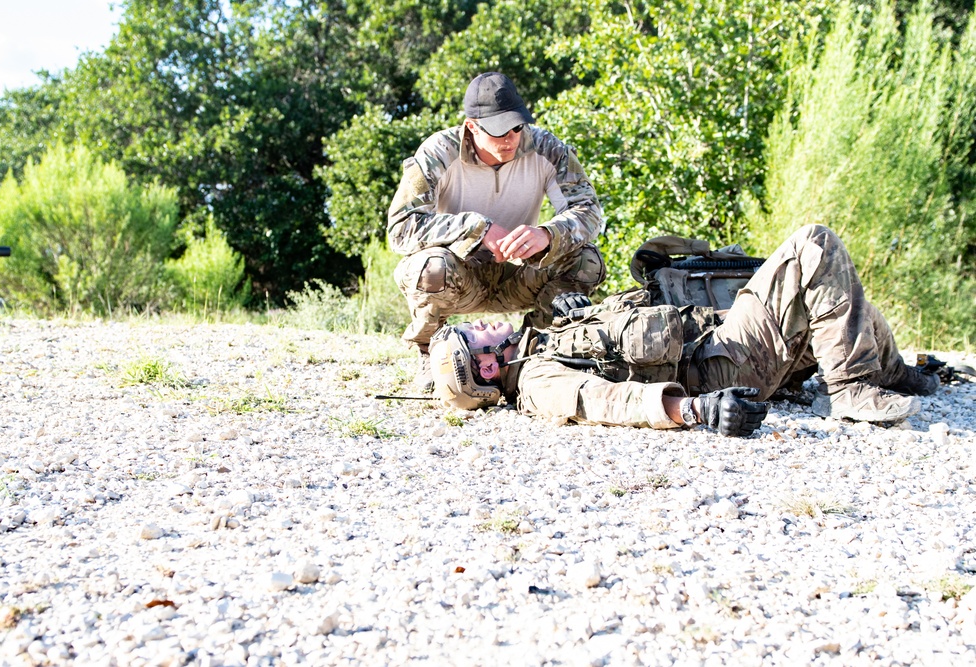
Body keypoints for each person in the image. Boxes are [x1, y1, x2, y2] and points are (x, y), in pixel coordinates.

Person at [428, 224, 939, 436]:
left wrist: (578, 310)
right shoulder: (539, 382)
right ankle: (850, 389)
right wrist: (697, 410)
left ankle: (888, 374)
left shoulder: (544, 336)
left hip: (724, 340)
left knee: (840, 300)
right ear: (487, 367)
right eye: (473, 338)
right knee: (814, 246)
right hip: (727, 362)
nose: (480, 326)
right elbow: (606, 403)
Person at [387, 72, 606, 392]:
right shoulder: (439, 151)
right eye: (499, 130)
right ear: (472, 127)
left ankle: (543, 351)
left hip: (518, 276)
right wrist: (476, 228)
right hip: (459, 277)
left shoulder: (546, 147)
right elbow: (401, 227)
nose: (511, 137)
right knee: (429, 267)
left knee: (586, 261)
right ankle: (432, 355)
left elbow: (590, 212)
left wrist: (548, 234)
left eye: (517, 126)